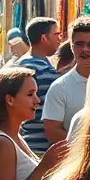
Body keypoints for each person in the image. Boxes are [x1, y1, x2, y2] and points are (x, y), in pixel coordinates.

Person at [42, 15, 90, 143]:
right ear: (71, 46)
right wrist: (88, 146)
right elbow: (52, 131)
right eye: (79, 44)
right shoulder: (60, 88)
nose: (85, 50)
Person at [17, 17, 61, 155]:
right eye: (56, 34)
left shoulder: (19, 63)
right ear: (44, 38)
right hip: (39, 147)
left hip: (24, 142)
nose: (59, 39)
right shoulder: (40, 69)